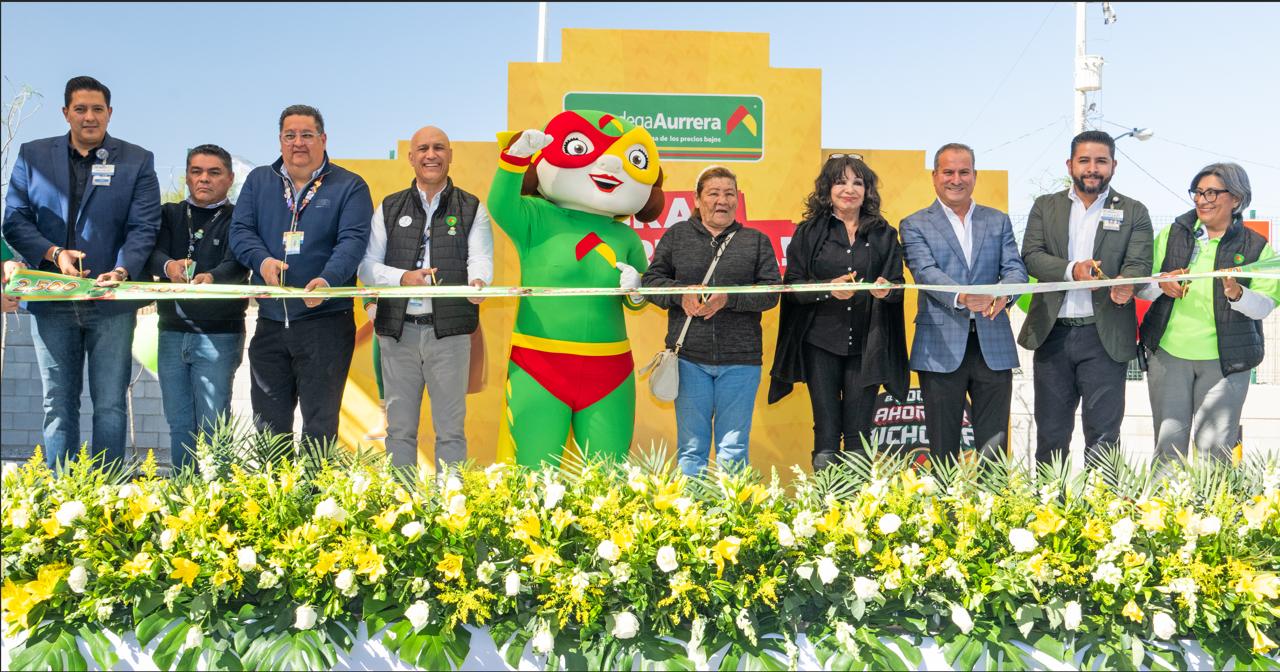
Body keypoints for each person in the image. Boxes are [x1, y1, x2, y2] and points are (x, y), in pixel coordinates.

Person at [2, 75, 161, 469]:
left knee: (109, 404)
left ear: (109, 113)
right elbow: (15, 220)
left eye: (97, 109)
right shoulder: (32, 155)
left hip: (110, 302)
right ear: (65, 113)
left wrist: (123, 269)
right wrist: (54, 254)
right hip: (52, 299)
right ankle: (63, 494)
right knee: (57, 402)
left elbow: (144, 226)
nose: (89, 117)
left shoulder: (138, 160)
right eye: (80, 109)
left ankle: (106, 493)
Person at [229, 105, 372, 447]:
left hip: (326, 324)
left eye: (307, 135)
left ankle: (316, 500)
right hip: (270, 323)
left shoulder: (349, 186)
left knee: (320, 427)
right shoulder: (259, 181)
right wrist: (262, 262)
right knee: (268, 427)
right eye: (290, 135)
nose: (298, 143)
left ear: (323, 139)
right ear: (280, 141)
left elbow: (352, 241)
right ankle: (276, 499)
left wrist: (328, 281)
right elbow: (241, 231)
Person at [358, 126, 493, 469]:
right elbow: (367, 266)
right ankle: (403, 510)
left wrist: (479, 281)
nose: (430, 155)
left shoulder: (472, 207)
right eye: (422, 149)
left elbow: (480, 258)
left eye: (438, 148)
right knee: (399, 431)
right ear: (411, 158)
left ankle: (450, 510)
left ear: (450, 155)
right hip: (397, 334)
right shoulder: (388, 207)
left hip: (450, 335)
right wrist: (402, 279)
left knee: (451, 432)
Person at [1019, 130, 1152, 464]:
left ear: (1113, 166)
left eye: (1101, 161)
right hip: (1053, 335)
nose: (1092, 168)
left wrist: (1126, 284)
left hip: (1104, 336)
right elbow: (1031, 255)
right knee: (1051, 434)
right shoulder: (1045, 206)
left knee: (1104, 435)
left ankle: (1101, 511)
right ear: (1070, 164)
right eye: (1085, 160)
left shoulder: (1134, 211)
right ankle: (1051, 511)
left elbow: (1139, 265)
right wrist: (1071, 270)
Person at [768, 154, 908, 471]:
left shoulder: (885, 234)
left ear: (867, 190)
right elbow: (791, 286)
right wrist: (826, 288)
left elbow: (898, 286)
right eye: (841, 181)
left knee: (860, 437)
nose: (850, 189)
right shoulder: (808, 233)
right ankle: (826, 512)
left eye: (858, 182)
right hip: (820, 345)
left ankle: (857, 516)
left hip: (867, 347)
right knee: (827, 433)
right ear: (827, 189)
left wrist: (886, 290)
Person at [641, 166, 780, 476]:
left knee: (734, 448)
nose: (722, 201)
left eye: (729, 193)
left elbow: (771, 293)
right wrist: (681, 294)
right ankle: (694, 522)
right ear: (697, 199)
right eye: (714, 193)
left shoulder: (756, 241)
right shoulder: (677, 235)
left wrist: (728, 299)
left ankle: (731, 521)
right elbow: (651, 282)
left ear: (737, 199)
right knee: (691, 448)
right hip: (689, 360)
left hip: (741, 362)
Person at [1138, 163, 1277, 461]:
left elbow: (1265, 305)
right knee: (1168, 446)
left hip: (1226, 362)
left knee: (1215, 451)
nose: (1203, 200)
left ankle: (1213, 508)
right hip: (1168, 354)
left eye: (1212, 192)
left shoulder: (1257, 246)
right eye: (1198, 192)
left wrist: (1237, 294)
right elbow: (1141, 286)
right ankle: (1164, 508)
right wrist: (1163, 285)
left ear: (1236, 199)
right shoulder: (1172, 234)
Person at [900, 144, 1028, 461]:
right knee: (942, 447)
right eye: (948, 172)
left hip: (993, 346)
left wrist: (1002, 293)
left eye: (964, 172)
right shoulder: (914, 224)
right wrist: (963, 296)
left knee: (994, 450)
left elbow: (1015, 269)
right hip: (940, 348)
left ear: (974, 175)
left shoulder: (997, 221)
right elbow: (925, 271)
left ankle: (992, 510)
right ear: (935, 177)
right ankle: (946, 512)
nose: (956, 179)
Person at [146, 144, 247, 471]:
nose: (204, 179)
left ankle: (218, 502)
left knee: (215, 428)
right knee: (179, 424)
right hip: (172, 333)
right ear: (187, 177)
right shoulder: (168, 214)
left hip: (218, 334)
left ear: (229, 178)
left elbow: (240, 262)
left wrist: (211, 277)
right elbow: (151, 251)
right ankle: (183, 500)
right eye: (196, 172)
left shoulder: (240, 218)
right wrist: (169, 267)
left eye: (214, 172)